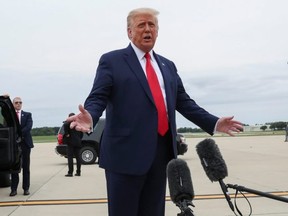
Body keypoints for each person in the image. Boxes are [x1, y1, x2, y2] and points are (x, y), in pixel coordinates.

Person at [67, 8, 243, 216]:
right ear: (129, 32)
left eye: (152, 25)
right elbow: (98, 97)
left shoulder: (168, 66)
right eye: (141, 25)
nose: (148, 29)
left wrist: (214, 122)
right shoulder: (112, 61)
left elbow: (184, 102)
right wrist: (91, 116)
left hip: (160, 155)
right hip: (125, 155)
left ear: (157, 32)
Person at [10, 97, 34, 196]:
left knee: (26, 167)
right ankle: (14, 189)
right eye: (16, 102)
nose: (18, 104)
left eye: (20, 102)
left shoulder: (28, 115)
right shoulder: (10, 115)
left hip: (25, 144)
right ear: (13, 104)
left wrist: (19, 134)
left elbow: (28, 127)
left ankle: (26, 188)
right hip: (14, 145)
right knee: (14, 167)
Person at [63, 113, 83, 177]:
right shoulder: (78, 124)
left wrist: (66, 134)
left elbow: (65, 125)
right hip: (78, 142)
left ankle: (70, 172)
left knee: (70, 157)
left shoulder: (67, 124)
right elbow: (81, 134)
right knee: (78, 158)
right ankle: (78, 172)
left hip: (70, 143)